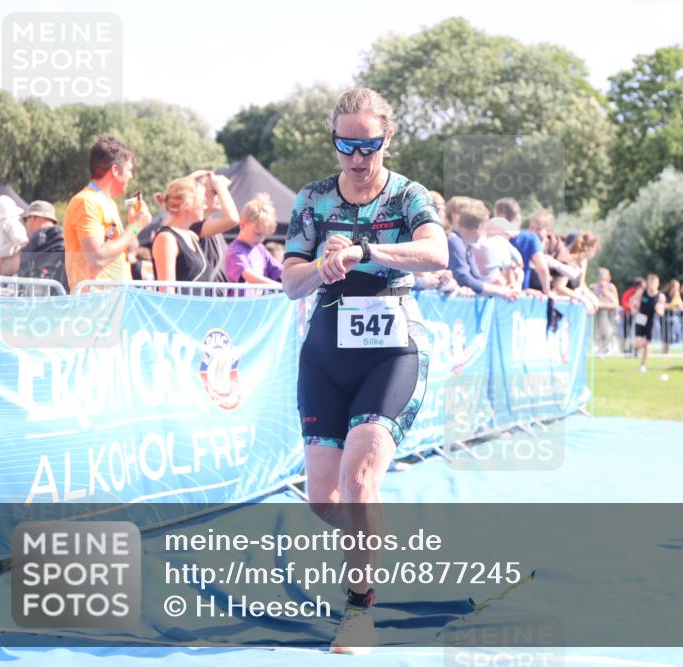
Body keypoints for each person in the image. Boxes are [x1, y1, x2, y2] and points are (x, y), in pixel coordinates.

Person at [281, 88, 448, 655]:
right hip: (326, 354)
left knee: (358, 481)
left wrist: (364, 251)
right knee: (325, 500)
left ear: (386, 139)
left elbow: (437, 253)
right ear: (334, 141)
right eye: (345, 145)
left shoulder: (407, 195)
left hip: (391, 352)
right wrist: (321, 265)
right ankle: (368, 527)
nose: (356, 157)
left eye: (368, 146)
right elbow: (290, 282)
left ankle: (358, 612)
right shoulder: (313, 199)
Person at [63, 135, 152, 292]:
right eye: (129, 170)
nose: (131, 176)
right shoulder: (86, 201)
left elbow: (116, 252)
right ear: (115, 170)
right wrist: (136, 226)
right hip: (94, 303)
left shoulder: (108, 203)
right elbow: (97, 257)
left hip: (113, 300)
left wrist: (132, 226)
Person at [447, 199, 517, 299]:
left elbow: (476, 278)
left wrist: (491, 285)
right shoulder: (454, 241)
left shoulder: (465, 244)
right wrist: (500, 291)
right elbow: (464, 279)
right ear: (478, 227)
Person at [151, 177, 211, 290]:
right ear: (188, 204)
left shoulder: (192, 236)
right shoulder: (167, 238)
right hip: (181, 302)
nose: (205, 206)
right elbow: (167, 291)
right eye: (202, 202)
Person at [225, 193, 284, 291]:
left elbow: (279, 270)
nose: (261, 239)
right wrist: (280, 287)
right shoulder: (235, 251)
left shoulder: (260, 248)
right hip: (241, 301)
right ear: (243, 224)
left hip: (258, 301)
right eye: (258, 234)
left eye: (265, 235)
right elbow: (249, 276)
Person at [495, 197, 551, 298]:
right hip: (520, 294)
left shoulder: (489, 238)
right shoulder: (530, 238)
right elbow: (542, 268)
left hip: (493, 292)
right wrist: (547, 292)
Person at [19, 200, 67, 291]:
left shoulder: (36, 241)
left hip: (38, 296)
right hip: (65, 296)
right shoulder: (66, 238)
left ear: (33, 218)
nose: (26, 224)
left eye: (26, 220)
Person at [0, 195, 29, 276]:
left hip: (0, 261)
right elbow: (19, 237)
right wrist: (27, 242)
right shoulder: (12, 222)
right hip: (12, 259)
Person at [634, 273, 666, 372]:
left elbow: (662, 312)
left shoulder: (660, 296)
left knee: (647, 343)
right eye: (650, 283)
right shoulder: (642, 292)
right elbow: (633, 300)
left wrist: (659, 310)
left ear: (658, 284)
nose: (652, 285)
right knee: (638, 343)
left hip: (652, 320)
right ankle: (636, 348)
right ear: (647, 283)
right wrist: (634, 306)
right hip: (641, 317)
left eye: (654, 283)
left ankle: (643, 365)